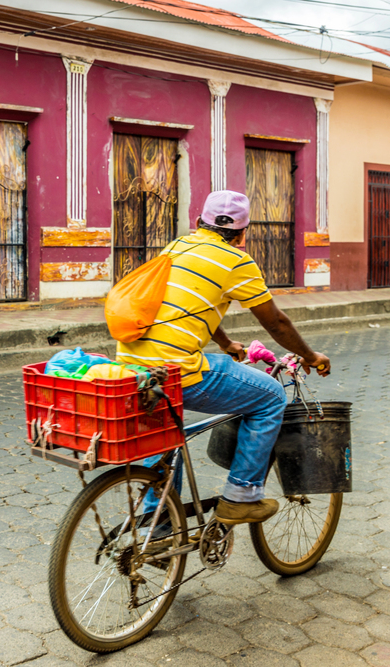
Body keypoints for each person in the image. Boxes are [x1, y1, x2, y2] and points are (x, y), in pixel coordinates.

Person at [117, 190, 331, 526]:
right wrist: (310, 355)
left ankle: (155, 523)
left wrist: (226, 341)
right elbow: (275, 322)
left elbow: (192, 304)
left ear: (198, 222)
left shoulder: (176, 248)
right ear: (244, 233)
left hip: (133, 365)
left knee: (162, 434)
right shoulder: (236, 262)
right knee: (271, 396)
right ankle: (240, 498)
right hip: (178, 371)